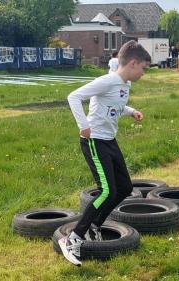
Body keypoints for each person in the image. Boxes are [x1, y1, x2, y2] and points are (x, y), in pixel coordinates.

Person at [62, 40, 150, 266]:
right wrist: (83, 125)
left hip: (110, 141)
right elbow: (74, 96)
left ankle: (94, 225)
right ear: (133, 63)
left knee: (125, 188)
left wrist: (131, 111)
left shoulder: (124, 84)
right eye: (143, 68)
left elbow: (115, 106)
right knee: (106, 191)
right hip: (94, 141)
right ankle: (73, 239)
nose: (143, 73)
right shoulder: (107, 81)